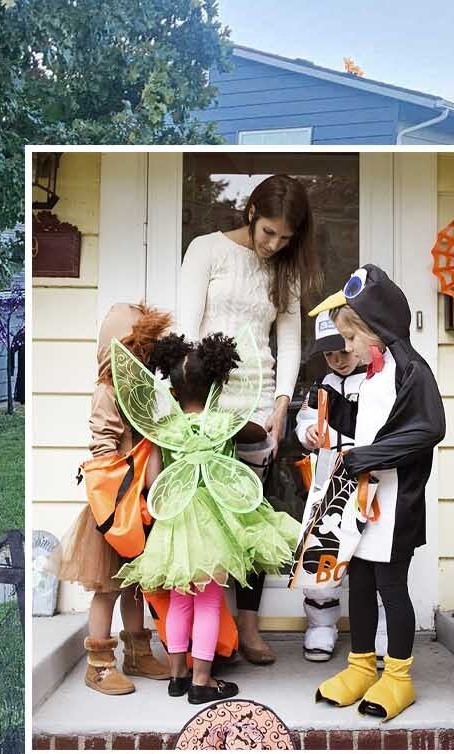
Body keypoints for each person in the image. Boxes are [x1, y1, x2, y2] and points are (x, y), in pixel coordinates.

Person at [111, 331, 300, 705]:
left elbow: (151, 482)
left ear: (174, 391)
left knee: (181, 600)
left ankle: (177, 675)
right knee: (209, 601)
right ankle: (203, 680)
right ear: (216, 383)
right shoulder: (224, 423)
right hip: (215, 528)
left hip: (176, 527)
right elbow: (258, 431)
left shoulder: (164, 431)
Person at [175, 174, 318, 664]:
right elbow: (187, 330)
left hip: (259, 407)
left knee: (251, 515)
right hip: (211, 405)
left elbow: (291, 338)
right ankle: (204, 637)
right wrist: (192, 406)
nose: (273, 245)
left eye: (285, 238)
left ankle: (249, 628)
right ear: (251, 212)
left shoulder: (285, 270)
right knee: (208, 518)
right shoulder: (206, 251)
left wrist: (282, 404)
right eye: (268, 233)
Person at [310, 266, 444, 721]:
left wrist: (370, 457)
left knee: (391, 587)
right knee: (360, 585)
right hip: (364, 504)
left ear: (377, 331)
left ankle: (399, 676)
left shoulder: (412, 371)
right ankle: (362, 666)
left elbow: (430, 428)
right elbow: (365, 424)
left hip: (396, 506)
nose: (345, 349)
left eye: (350, 340)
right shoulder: (373, 377)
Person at [55, 303, 173, 695]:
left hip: (140, 503)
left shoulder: (141, 393)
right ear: (119, 351)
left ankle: (137, 652)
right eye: (139, 352)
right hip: (115, 506)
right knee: (107, 585)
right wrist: (121, 479)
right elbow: (103, 443)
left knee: (136, 583)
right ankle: (100, 663)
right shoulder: (107, 391)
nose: (145, 360)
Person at [292, 311, 372, 662]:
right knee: (321, 555)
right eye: (329, 354)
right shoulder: (321, 385)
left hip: (369, 478)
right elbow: (306, 419)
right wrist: (306, 432)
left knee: (373, 557)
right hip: (329, 481)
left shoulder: (375, 380)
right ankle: (322, 626)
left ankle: (379, 629)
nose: (338, 360)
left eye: (343, 350)